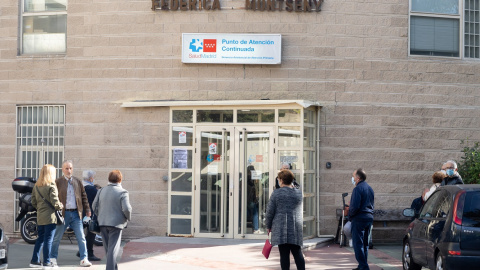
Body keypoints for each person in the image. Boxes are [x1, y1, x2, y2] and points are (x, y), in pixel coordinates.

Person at [50, 160, 92, 267]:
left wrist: (87, 209)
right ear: (62, 169)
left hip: (76, 214)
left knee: (81, 237)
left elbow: (83, 196)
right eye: (66, 168)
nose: (69, 170)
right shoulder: (58, 182)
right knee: (57, 237)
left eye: (70, 168)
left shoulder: (77, 181)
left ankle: (84, 259)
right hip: (63, 214)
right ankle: (52, 258)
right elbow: (53, 198)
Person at [265, 170, 305, 270]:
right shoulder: (298, 193)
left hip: (281, 228)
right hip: (295, 228)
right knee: (297, 253)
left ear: (281, 180)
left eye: (279, 179)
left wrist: (268, 226)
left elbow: (270, 211)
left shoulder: (276, 193)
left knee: (284, 255)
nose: (278, 181)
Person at [92, 170, 132, 270]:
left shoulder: (101, 190)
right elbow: (127, 209)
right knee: (113, 250)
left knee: (109, 250)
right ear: (120, 179)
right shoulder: (123, 192)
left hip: (103, 223)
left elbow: (94, 206)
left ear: (109, 179)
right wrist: (127, 218)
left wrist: (100, 215)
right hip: (116, 224)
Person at [30, 164, 63, 269]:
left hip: (40, 216)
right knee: (48, 239)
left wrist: (40, 208)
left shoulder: (36, 186)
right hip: (50, 216)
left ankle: (34, 261)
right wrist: (60, 206)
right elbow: (55, 203)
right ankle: (47, 262)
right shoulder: (51, 185)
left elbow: (33, 202)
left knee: (40, 239)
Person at [349, 168, 375, 270]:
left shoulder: (357, 189)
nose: (353, 178)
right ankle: (361, 266)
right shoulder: (370, 188)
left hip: (359, 219)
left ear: (358, 178)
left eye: (353, 176)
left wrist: (350, 216)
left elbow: (354, 206)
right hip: (369, 218)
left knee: (358, 244)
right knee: (365, 244)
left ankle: (364, 266)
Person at [76, 170, 101, 261]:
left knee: (82, 234)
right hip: (89, 214)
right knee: (91, 234)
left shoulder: (79, 187)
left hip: (79, 213)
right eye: (92, 177)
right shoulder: (92, 189)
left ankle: (82, 251)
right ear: (90, 178)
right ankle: (89, 253)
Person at [246, 165, 261, 234]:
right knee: (255, 213)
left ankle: (239, 227)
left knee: (243, 213)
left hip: (246, 200)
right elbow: (260, 190)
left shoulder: (244, 179)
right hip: (252, 199)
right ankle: (256, 228)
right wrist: (257, 196)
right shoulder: (256, 179)